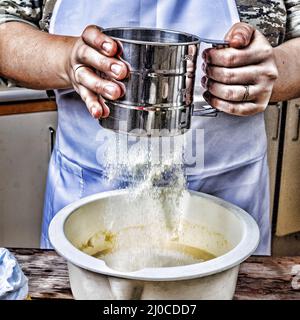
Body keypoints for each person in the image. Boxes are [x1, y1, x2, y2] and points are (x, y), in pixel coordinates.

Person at [0, 0, 300, 254]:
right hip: (86, 193)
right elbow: (5, 27)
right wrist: (66, 59)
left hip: (229, 198)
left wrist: (276, 69)